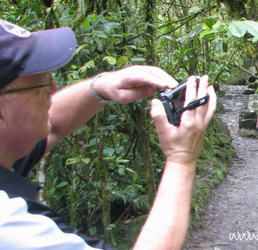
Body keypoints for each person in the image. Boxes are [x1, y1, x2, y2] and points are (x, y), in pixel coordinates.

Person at [0, 19, 217, 250]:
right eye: (40, 85)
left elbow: (52, 124)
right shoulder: (11, 227)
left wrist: (102, 87)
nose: (54, 89)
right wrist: (181, 158)